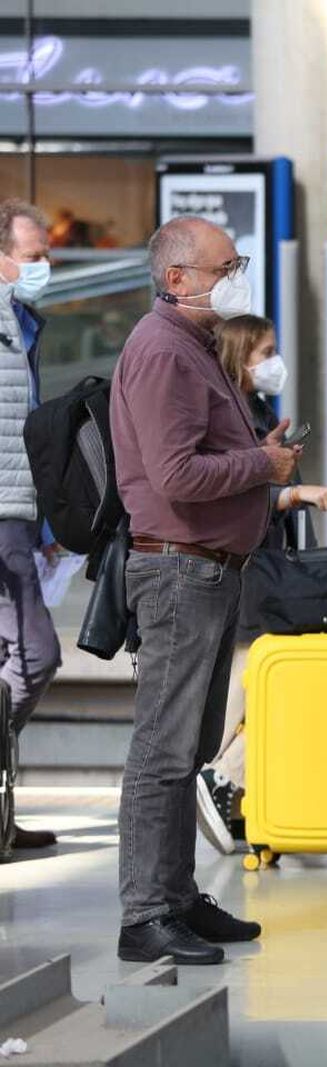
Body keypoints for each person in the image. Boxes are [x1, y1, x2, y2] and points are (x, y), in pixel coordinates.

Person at [111, 216, 300, 964]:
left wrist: (257, 456)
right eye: (225, 266)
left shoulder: (195, 348)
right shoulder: (162, 351)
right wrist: (263, 467)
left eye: (238, 262)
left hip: (209, 567)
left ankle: (178, 896)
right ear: (177, 279)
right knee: (163, 747)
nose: (237, 275)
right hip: (179, 568)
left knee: (189, 742)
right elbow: (177, 476)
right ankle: (145, 913)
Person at [194, 315, 327, 856]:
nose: (272, 362)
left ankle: (225, 789)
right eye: (264, 351)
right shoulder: (223, 417)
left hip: (263, 567)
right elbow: (227, 490)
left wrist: (282, 469)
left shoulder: (253, 412)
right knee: (250, 694)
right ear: (238, 357)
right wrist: (295, 494)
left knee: (252, 690)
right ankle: (219, 780)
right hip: (247, 572)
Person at [0, 198, 62, 851]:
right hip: (2, 517)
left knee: (24, 657)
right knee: (36, 653)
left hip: (18, 513)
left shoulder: (21, 323)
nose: (46, 264)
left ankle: (2, 813)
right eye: (34, 254)